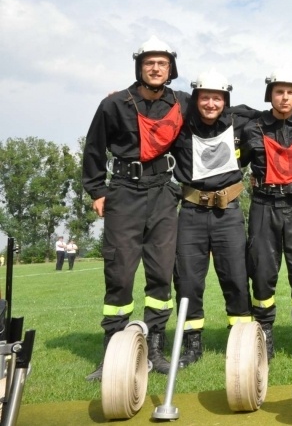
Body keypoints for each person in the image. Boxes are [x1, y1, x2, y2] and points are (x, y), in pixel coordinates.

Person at [82, 36, 190, 381]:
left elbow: (221, 111)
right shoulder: (114, 104)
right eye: (149, 63)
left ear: (171, 69)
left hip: (163, 192)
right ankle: (113, 350)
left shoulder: (183, 103)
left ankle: (155, 347)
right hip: (124, 192)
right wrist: (98, 190)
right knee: (120, 273)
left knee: (161, 273)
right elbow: (94, 150)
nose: (156, 68)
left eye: (162, 63)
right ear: (139, 67)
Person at [171, 71, 254, 368]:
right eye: (204, 97)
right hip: (191, 212)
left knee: (235, 277)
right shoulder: (180, 120)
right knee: (188, 281)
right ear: (195, 99)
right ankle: (192, 345)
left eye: (216, 98)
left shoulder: (240, 119)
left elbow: (279, 116)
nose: (210, 103)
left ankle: (241, 339)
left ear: (225, 100)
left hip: (228, 212)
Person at [240, 74, 292, 360]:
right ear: (269, 95)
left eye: (290, 92)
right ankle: (264, 333)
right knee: (262, 271)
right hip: (264, 204)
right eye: (279, 92)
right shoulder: (253, 127)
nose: (285, 97)